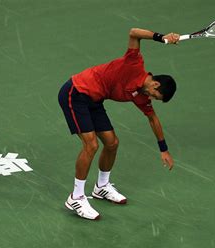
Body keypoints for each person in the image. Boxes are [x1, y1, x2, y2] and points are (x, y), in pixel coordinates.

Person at [58, 28, 180, 220]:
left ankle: (101, 187)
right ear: (155, 85)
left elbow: (152, 118)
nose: (152, 99)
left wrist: (163, 149)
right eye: (156, 96)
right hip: (76, 92)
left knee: (112, 143)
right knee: (91, 145)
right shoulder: (134, 63)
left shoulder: (142, 97)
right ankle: (76, 196)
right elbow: (134, 32)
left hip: (95, 101)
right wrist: (161, 37)